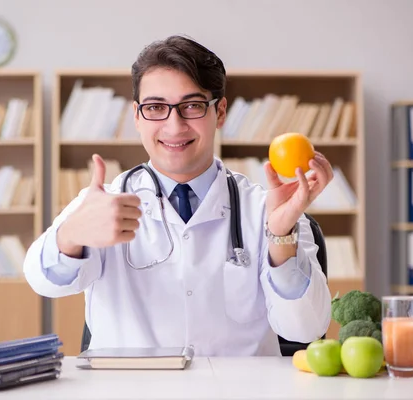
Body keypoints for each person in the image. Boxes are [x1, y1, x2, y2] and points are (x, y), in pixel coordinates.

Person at [24, 35, 334, 356]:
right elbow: (44, 282)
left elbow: (306, 329)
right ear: (137, 115)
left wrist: (280, 236)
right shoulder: (104, 203)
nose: (174, 126)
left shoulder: (266, 210)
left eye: (192, 106)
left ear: (221, 112)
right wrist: (72, 233)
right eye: (156, 107)